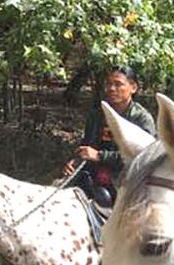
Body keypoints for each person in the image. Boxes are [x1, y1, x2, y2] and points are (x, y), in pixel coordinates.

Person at [64, 66, 155, 206]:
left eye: (118, 84)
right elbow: (87, 146)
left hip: (123, 180)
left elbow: (142, 158)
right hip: (92, 175)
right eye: (109, 84)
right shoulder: (97, 115)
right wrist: (75, 162)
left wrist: (100, 156)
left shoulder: (141, 119)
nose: (112, 89)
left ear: (133, 88)